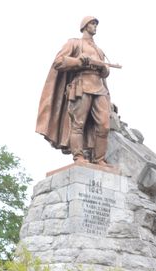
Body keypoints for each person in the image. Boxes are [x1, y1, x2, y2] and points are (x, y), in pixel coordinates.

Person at [36, 16, 112, 165]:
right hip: (81, 85)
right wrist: (78, 61)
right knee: (78, 124)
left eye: (96, 24)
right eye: (92, 23)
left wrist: (104, 69)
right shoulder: (74, 43)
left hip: (99, 88)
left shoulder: (100, 50)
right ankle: (78, 156)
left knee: (104, 125)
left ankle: (99, 159)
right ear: (84, 26)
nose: (95, 26)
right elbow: (58, 62)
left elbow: (105, 75)